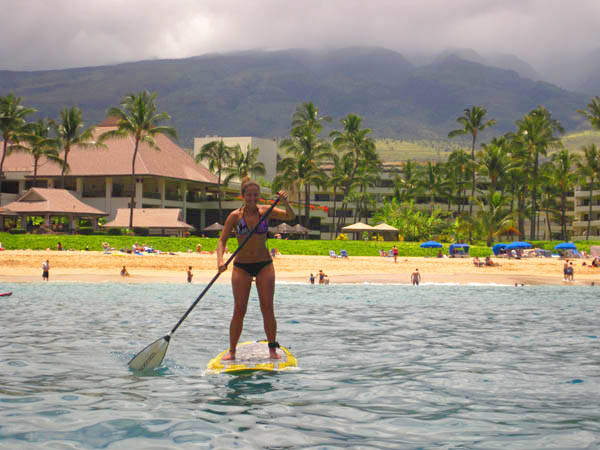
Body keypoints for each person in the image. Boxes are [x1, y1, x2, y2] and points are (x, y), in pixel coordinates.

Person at [217, 178, 294, 361]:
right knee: (239, 309)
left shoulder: (265, 211)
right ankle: (232, 350)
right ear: (243, 196)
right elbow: (222, 240)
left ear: (258, 196)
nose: (252, 198)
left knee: (267, 307)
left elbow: (290, 216)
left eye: (255, 194)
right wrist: (220, 261)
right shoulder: (235, 216)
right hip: (241, 266)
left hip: (264, 265)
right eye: (249, 194)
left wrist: (286, 203)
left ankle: (272, 348)